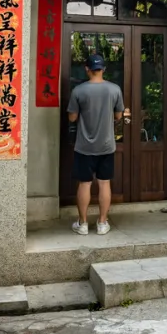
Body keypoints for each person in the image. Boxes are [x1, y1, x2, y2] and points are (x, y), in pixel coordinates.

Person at [68, 53, 129, 235]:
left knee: (84, 184)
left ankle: (83, 223)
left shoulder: (78, 91)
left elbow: (72, 118)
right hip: (106, 145)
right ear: (103, 69)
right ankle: (102, 223)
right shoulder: (114, 89)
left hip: (84, 146)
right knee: (104, 183)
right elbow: (118, 116)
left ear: (87, 69)